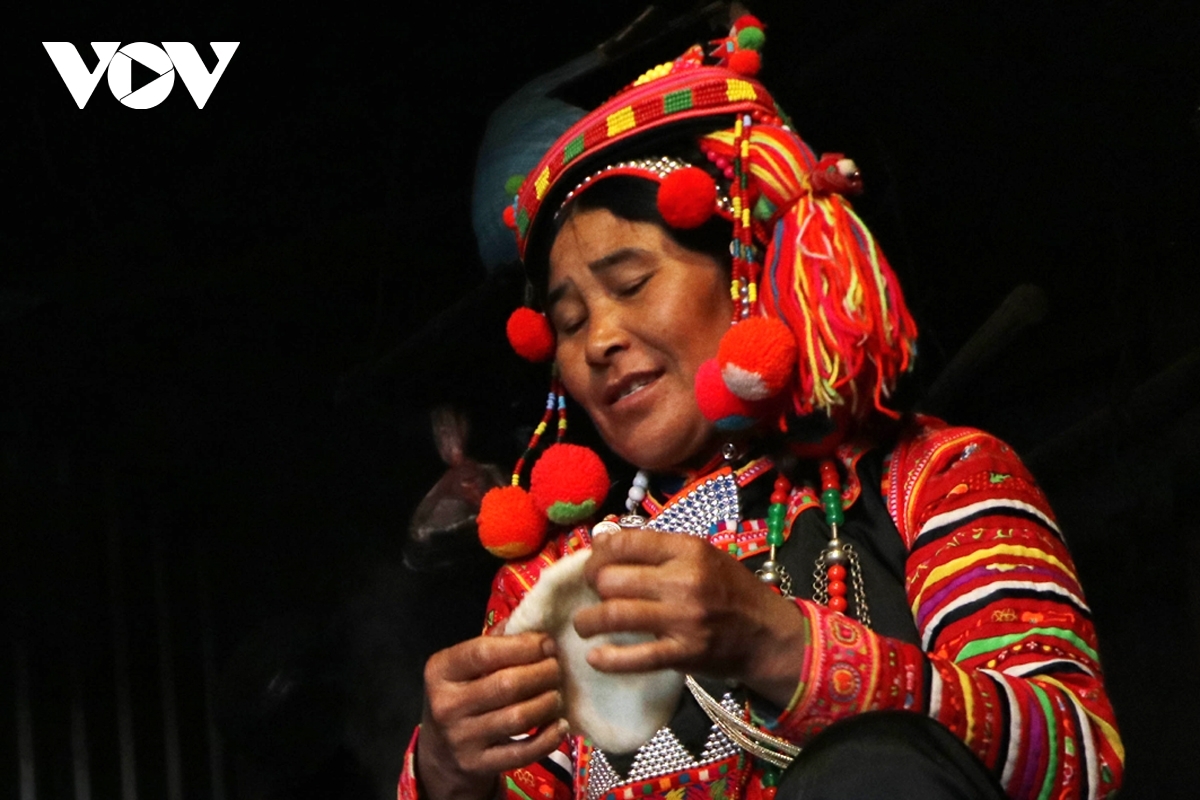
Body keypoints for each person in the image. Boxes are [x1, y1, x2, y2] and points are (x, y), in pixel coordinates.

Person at [399, 13, 1123, 800]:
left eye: (633, 283)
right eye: (569, 323)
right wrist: (444, 771)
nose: (600, 338)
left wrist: (780, 647)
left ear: (743, 267)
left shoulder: (932, 478)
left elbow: (1076, 759)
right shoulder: (551, 582)